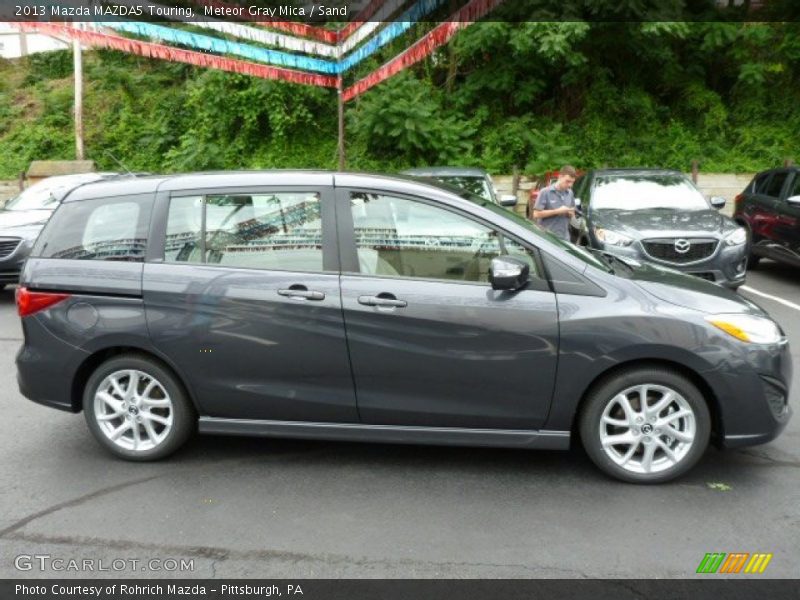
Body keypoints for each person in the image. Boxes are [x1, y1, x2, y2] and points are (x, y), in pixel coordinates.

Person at [533, 165, 577, 241]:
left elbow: (572, 210)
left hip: (565, 238)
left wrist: (571, 213)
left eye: (572, 182)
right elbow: (536, 214)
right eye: (568, 181)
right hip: (547, 238)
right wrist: (557, 211)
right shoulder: (545, 192)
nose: (570, 185)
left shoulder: (570, 193)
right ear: (560, 177)